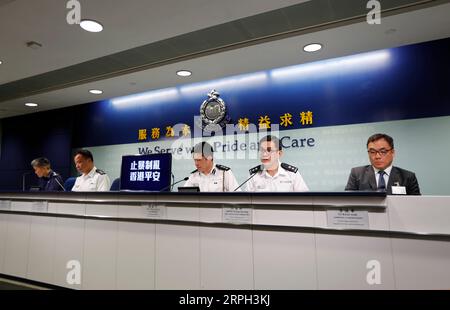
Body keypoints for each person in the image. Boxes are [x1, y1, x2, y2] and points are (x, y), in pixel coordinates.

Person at [345, 133, 421, 195]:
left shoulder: (408, 177)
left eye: (383, 152)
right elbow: (348, 201)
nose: (377, 156)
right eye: (372, 152)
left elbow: (416, 205)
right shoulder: (357, 174)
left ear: (392, 153)